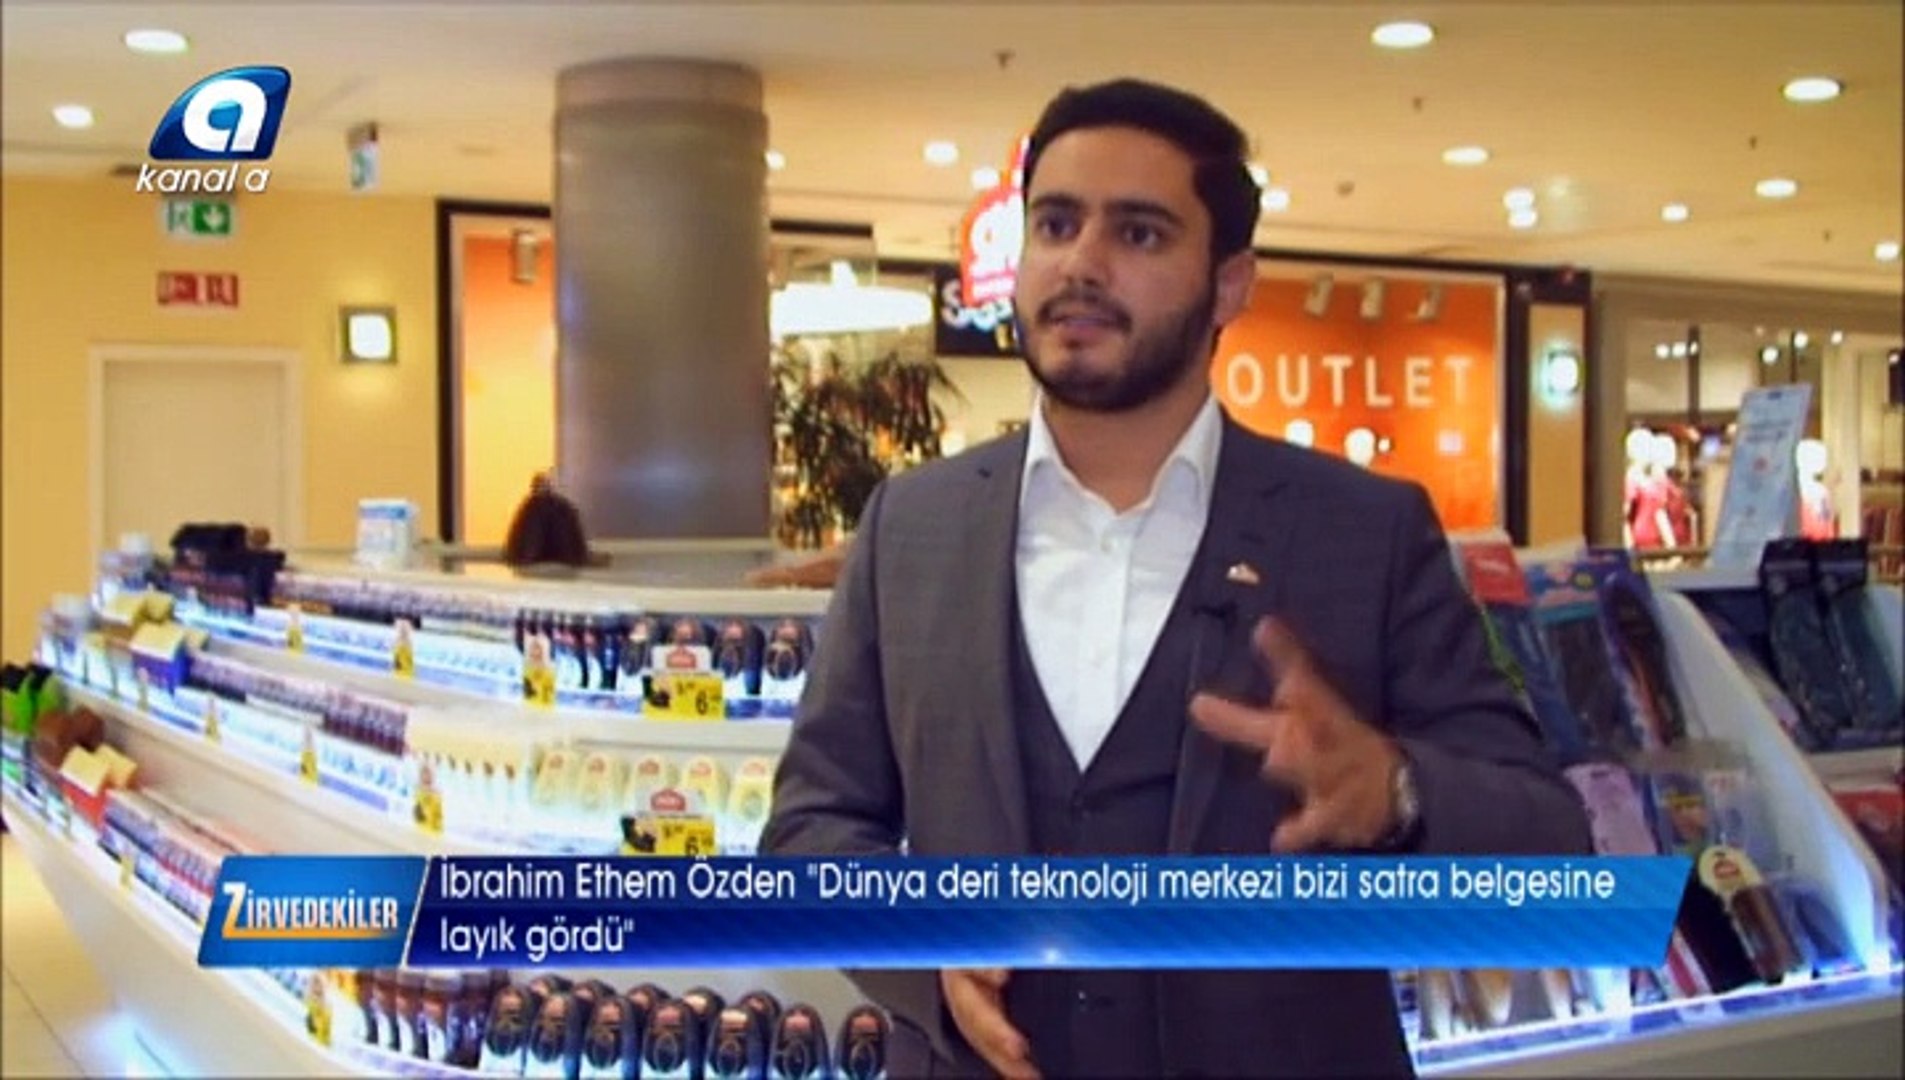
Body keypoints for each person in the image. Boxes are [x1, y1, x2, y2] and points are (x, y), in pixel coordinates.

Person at [760, 78, 1592, 1079]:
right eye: (1055, 224)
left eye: (1139, 233)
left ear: (1228, 285)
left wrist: (1395, 791)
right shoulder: (914, 527)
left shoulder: (1363, 533)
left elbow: (1549, 841)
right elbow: (811, 826)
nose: (1081, 262)